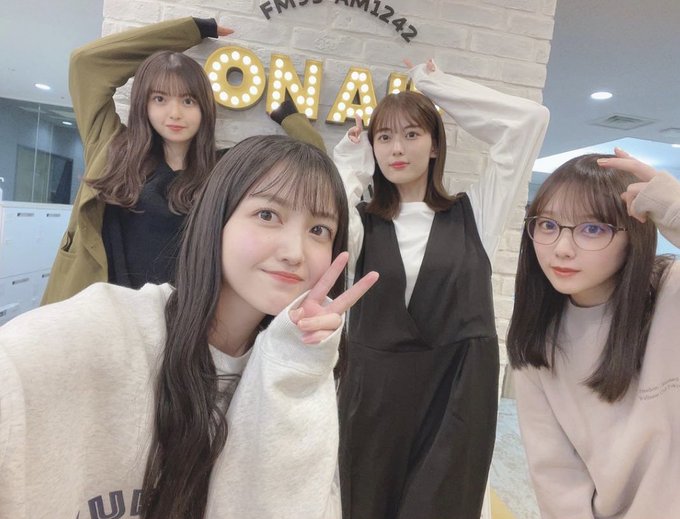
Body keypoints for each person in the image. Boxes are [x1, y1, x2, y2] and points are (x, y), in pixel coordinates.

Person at [0, 135, 379, 519]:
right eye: (267, 215)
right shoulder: (108, 330)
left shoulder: (301, 365)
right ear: (216, 217)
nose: (294, 252)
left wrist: (298, 364)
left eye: (319, 230)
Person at [333, 59, 549, 518]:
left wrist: (435, 85)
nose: (397, 148)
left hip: (457, 396)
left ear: (435, 145)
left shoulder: (476, 215)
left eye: (412, 134)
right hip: (374, 398)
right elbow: (328, 216)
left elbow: (529, 121)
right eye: (383, 137)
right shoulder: (361, 223)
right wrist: (349, 163)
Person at [41, 17, 324, 305]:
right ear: (144, 104)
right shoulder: (113, 147)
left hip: (177, 319)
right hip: (99, 311)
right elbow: (86, 63)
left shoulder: (223, 169)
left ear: (204, 107)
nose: (175, 113)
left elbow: (315, 170)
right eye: (160, 99)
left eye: (188, 101)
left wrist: (290, 117)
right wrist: (192, 30)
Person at [506, 148, 680, 518]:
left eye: (592, 229)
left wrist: (676, 211)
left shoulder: (671, 292)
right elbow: (557, 479)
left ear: (633, 234)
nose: (562, 249)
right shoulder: (537, 337)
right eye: (548, 225)